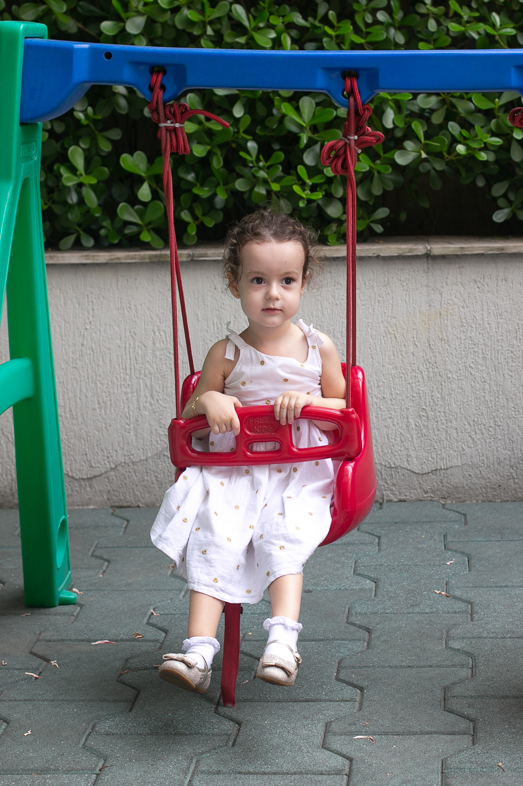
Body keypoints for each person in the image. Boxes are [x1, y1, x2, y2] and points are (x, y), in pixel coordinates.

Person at [150, 209, 345, 693]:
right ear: (234, 284)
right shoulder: (226, 352)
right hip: (234, 470)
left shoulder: (318, 348)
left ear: (303, 283)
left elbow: (344, 404)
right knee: (214, 533)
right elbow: (191, 410)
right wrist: (211, 398)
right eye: (258, 280)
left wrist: (309, 402)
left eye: (286, 280)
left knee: (285, 531)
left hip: (297, 469)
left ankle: (282, 641)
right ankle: (197, 651)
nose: (272, 293)